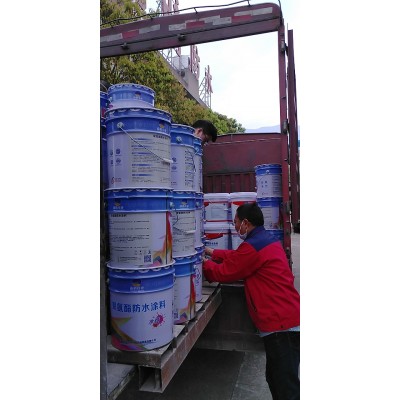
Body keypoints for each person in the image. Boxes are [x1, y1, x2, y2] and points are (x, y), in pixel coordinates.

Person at [202, 203, 300, 400]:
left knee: (285, 387)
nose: (235, 226)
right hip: (285, 320)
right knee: (276, 379)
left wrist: (204, 265)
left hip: (281, 326)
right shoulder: (265, 240)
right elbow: (239, 257)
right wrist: (213, 252)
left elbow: (225, 272)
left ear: (245, 223)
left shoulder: (253, 246)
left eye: (236, 222)